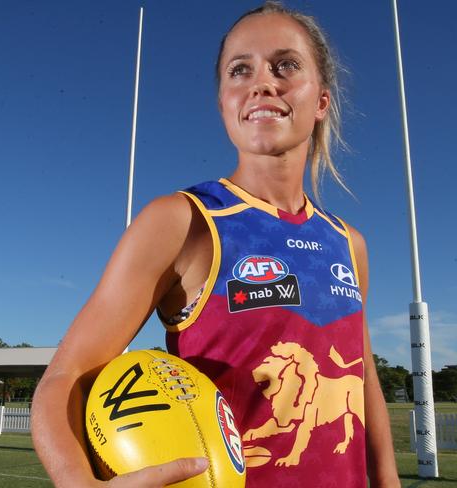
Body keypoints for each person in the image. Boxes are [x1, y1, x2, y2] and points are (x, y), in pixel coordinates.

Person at [31, 2, 400, 487]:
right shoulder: (183, 220)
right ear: (225, 101)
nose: (261, 83)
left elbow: (362, 380)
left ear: (323, 101)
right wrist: (75, 482)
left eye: (286, 65)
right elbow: (65, 378)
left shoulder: (349, 243)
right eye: (240, 70)